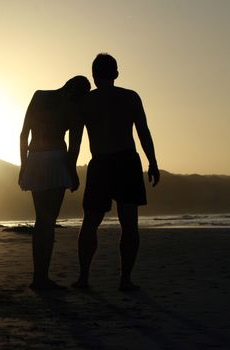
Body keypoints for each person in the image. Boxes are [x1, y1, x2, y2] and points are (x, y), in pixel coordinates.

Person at [68, 53, 160, 291]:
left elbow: (75, 142)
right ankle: (125, 279)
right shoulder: (130, 97)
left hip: (101, 162)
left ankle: (84, 278)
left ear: (94, 75)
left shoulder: (85, 103)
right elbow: (143, 132)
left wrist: (71, 169)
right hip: (127, 161)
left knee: (90, 222)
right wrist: (152, 161)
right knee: (129, 223)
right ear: (116, 74)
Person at [19, 76, 91, 290]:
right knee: (48, 222)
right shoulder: (75, 107)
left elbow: (24, 134)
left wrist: (24, 165)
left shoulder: (39, 96)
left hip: (36, 159)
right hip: (57, 160)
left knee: (41, 220)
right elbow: (74, 145)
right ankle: (42, 278)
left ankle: (38, 276)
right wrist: (73, 173)